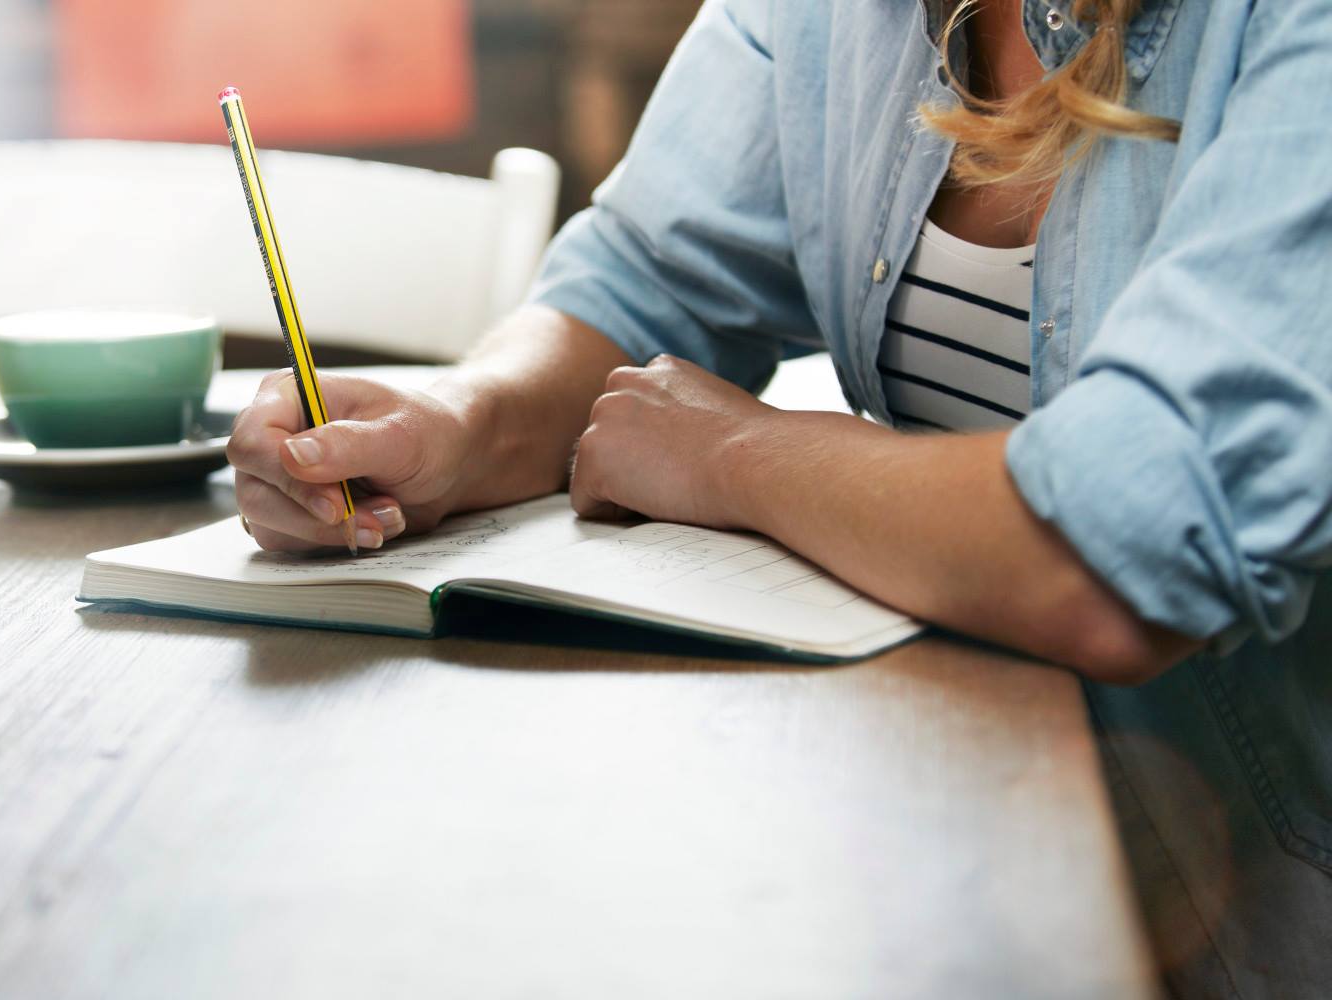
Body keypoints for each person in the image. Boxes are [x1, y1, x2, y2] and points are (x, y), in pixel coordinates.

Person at [227, 0, 1331, 994]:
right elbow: (645, 279)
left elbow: (1119, 552)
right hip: (946, 838)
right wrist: (458, 423)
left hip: (1253, 917)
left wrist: (739, 457)